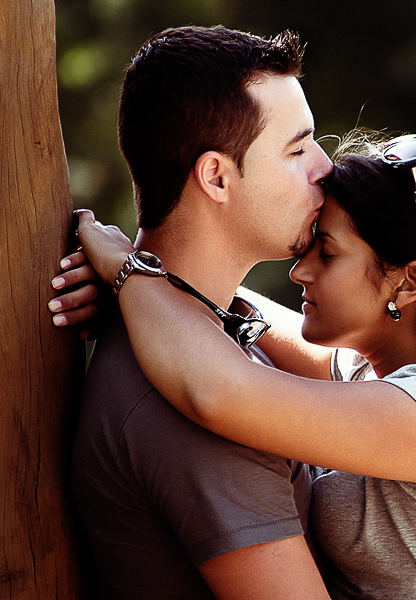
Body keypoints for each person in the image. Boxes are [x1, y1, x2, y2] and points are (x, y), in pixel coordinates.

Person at [64, 131, 416, 600]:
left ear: (407, 282)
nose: (299, 272)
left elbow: (217, 391)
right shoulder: (377, 381)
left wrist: (127, 274)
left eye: (326, 253)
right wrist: (137, 287)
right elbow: (222, 300)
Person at [48, 25, 334, 600]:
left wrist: (135, 279)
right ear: (216, 177)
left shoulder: (204, 336)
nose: (323, 166)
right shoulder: (191, 407)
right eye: (297, 148)